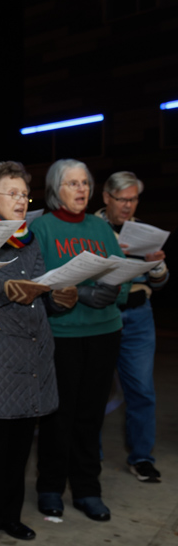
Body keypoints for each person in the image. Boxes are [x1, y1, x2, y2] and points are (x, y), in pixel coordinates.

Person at [0, 161, 76, 546]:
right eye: (13, 193)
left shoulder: (29, 238)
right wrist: (0, 291)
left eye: (25, 194)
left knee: (21, 446)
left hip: (32, 355)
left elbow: (39, 288)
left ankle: (10, 516)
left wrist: (60, 298)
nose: (22, 201)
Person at [32, 159, 128, 522]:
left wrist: (113, 293)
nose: (81, 189)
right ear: (57, 187)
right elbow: (37, 282)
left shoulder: (101, 229)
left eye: (85, 183)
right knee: (59, 416)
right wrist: (79, 294)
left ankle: (88, 490)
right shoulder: (41, 227)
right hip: (63, 335)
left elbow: (122, 275)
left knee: (90, 417)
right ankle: (51, 488)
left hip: (105, 332)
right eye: (72, 183)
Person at [96, 171, 168, 483]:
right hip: (102, 312)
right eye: (122, 199)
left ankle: (141, 458)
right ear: (107, 198)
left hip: (139, 315)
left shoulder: (143, 231)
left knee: (141, 390)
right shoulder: (91, 229)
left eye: (133, 199)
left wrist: (158, 264)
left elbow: (161, 282)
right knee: (94, 390)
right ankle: (90, 459)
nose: (128, 206)